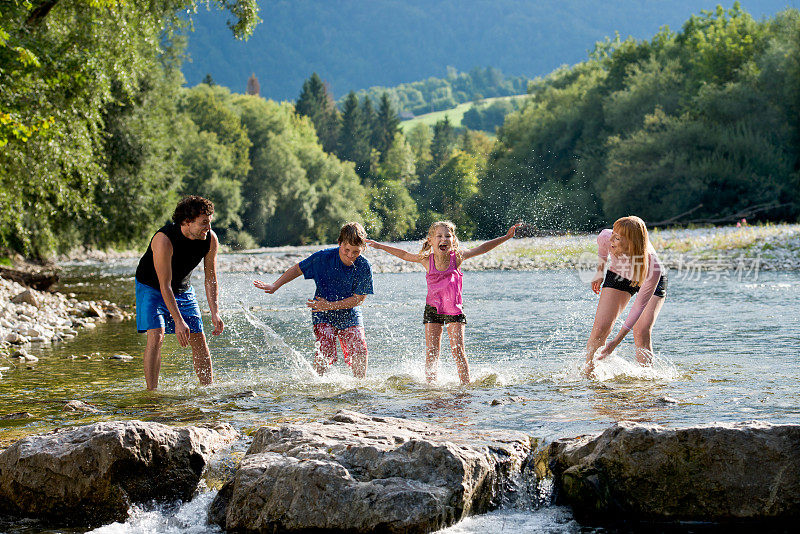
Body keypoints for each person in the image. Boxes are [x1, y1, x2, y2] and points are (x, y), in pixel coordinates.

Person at [368, 221, 520, 385]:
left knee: (458, 350)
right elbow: (404, 254)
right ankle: (431, 386)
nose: (444, 239)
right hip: (433, 310)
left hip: (454, 310)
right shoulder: (426, 260)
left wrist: (506, 237)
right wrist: (380, 246)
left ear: (453, 240)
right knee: (432, 351)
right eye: (439, 236)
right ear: (431, 240)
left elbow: (482, 248)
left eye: (447, 236)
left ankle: (465, 385)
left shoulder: (458, 257)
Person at [253, 222, 373, 378]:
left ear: (363, 248)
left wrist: (330, 305)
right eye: (346, 250)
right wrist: (275, 285)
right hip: (321, 312)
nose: (350, 255)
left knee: (359, 348)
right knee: (325, 348)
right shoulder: (323, 257)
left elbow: (359, 299)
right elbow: (298, 269)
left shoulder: (364, 265)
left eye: (356, 252)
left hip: (349, 312)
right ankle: (319, 385)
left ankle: (360, 386)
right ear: (339, 243)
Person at [134, 196, 223, 390]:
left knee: (198, 337)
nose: (208, 227)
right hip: (152, 287)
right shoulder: (163, 240)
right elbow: (164, 285)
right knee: (157, 334)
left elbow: (211, 278)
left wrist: (215, 312)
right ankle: (152, 393)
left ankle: (207, 390)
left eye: (210, 221)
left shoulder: (210, 239)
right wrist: (178, 320)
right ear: (186, 222)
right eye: (204, 222)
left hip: (182, 288)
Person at [584, 215, 667, 376]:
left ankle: (646, 379)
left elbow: (638, 307)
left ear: (631, 242)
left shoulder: (653, 267)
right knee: (600, 329)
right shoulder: (605, 237)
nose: (611, 240)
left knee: (641, 331)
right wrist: (599, 272)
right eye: (613, 234)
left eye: (617, 238)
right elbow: (602, 250)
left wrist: (615, 342)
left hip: (646, 277)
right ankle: (589, 376)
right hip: (619, 273)